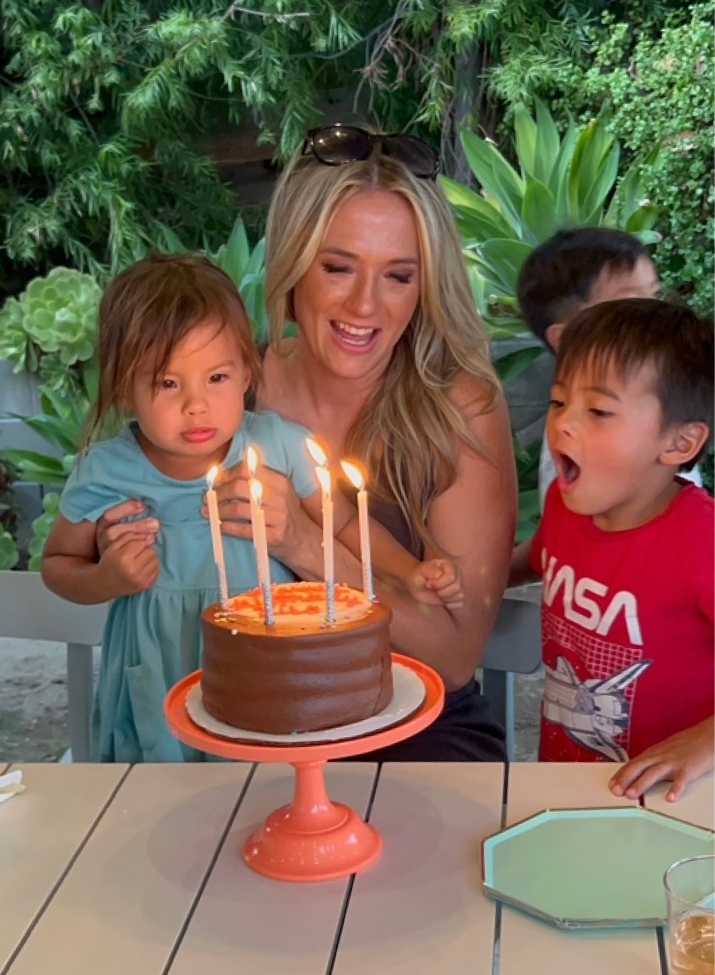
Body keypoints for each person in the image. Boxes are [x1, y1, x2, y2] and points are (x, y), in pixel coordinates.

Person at [97, 126, 518, 762]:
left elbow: (454, 658)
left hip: (412, 727)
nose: (364, 304)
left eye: (399, 276)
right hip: (252, 723)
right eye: (337, 267)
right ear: (294, 264)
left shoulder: (459, 408)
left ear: (426, 287)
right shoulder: (231, 394)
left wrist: (302, 542)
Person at [41, 254, 465, 762]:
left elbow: (346, 523)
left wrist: (411, 571)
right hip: (160, 671)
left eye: (216, 378)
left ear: (246, 370)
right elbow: (58, 565)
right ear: (124, 390)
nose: (196, 405)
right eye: (167, 383)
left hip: (275, 666)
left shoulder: (277, 447)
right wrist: (109, 579)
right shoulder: (108, 471)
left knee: (269, 786)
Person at [512, 298, 714, 800]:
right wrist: (473, 578)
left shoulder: (701, 542)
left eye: (599, 411)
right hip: (569, 782)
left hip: (671, 799)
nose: (564, 425)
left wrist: (705, 742)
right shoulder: (565, 504)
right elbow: (539, 559)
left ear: (680, 444)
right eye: (560, 402)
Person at [516, 226, 702, 503]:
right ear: (567, 338)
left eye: (656, 297)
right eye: (632, 306)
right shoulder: (583, 445)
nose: (658, 316)